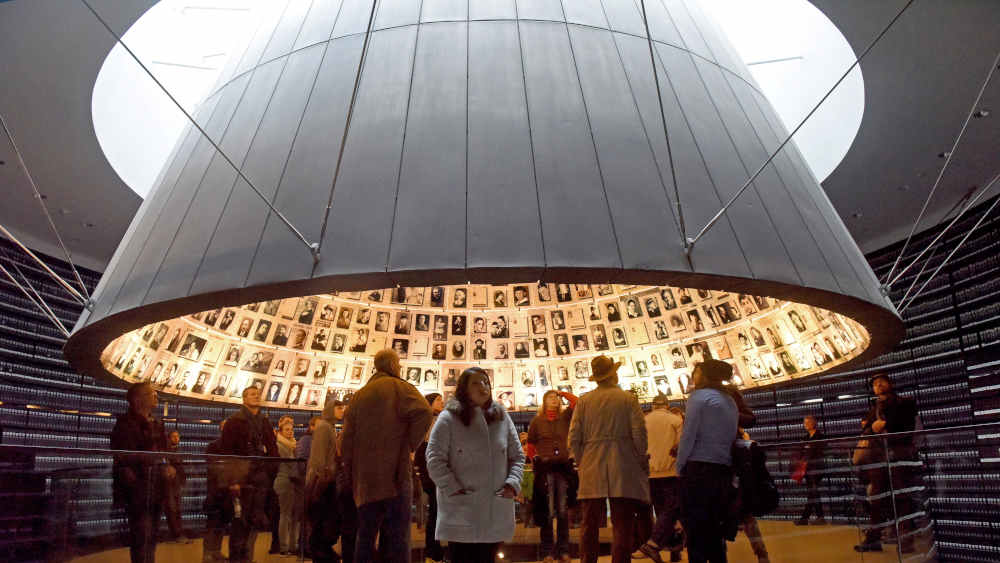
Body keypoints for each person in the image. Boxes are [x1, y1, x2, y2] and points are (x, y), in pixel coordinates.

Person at [341, 349, 433, 563]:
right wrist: (409, 444)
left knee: (365, 536)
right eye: (398, 363)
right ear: (392, 365)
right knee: (398, 537)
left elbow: (346, 440)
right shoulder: (400, 387)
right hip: (395, 476)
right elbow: (425, 412)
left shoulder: (360, 395)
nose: (399, 367)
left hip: (365, 480)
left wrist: (351, 470)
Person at [426, 367, 524, 563]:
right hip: (462, 509)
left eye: (486, 382)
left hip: (494, 507)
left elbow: (517, 456)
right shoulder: (448, 418)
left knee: (488, 557)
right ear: (464, 388)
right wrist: (453, 488)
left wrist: (512, 484)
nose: (483, 387)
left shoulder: (502, 417)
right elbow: (434, 458)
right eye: (476, 383)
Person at [569, 355, 650, 563]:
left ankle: (588, 560)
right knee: (622, 522)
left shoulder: (584, 401)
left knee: (589, 522)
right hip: (622, 462)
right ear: (613, 375)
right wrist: (640, 457)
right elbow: (639, 433)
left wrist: (582, 462)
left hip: (591, 462)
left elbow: (574, 437)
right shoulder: (627, 399)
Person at [676, 360, 739, 563]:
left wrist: (680, 465)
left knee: (695, 529)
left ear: (705, 375)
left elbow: (689, 435)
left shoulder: (698, 397)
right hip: (723, 469)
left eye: (696, 372)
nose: (693, 375)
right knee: (714, 528)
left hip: (699, 469)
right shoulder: (729, 400)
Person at [854, 374, 918, 554]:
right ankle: (874, 539)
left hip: (897, 455)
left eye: (881, 382)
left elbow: (908, 426)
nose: (878, 385)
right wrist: (873, 426)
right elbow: (866, 428)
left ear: (890, 384)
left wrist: (885, 424)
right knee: (877, 499)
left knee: (901, 498)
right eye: (875, 384)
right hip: (878, 458)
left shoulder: (905, 402)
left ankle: (905, 540)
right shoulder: (874, 407)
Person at [111, 382, 169, 563]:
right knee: (140, 533)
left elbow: (164, 452)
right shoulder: (124, 424)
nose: (156, 397)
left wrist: (166, 465)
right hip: (137, 488)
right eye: (151, 394)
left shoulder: (157, 424)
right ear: (137, 400)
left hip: (156, 486)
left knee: (152, 533)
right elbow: (122, 455)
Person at [219, 386, 279, 563]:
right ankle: (237, 559)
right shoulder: (234, 421)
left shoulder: (264, 421)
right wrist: (233, 480)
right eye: (252, 394)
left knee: (255, 521)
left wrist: (271, 472)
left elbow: (272, 448)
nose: (256, 396)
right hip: (242, 477)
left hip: (261, 477)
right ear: (244, 399)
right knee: (240, 521)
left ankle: (247, 558)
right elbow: (227, 453)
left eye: (258, 394)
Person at [526, 389, 578, 563]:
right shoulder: (537, 421)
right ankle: (547, 551)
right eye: (550, 396)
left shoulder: (565, 417)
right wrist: (534, 459)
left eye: (556, 397)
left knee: (562, 510)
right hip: (545, 469)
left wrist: (563, 393)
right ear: (544, 401)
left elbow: (577, 403)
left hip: (563, 469)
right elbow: (531, 443)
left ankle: (563, 550)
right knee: (546, 511)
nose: (554, 398)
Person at [635, 394, 684, 563]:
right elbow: (680, 446)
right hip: (671, 472)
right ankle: (660, 545)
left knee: (662, 511)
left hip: (650, 474)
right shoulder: (676, 421)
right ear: (667, 405)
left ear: (653, 406)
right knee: (671, 511)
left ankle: (668, 548)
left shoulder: (643, 422)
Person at [307, 400, 354, 563]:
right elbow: (319, 457)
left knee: (326, 519)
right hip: (324, 481)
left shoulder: (329, 427)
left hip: (327, 479)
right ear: (330, 409)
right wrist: (323, 475)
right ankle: (320, 551)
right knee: (323, 518)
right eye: (338, 408)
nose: (342, 411)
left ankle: (322, 550)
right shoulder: (324, 427)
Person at [414, 393, 446, 562]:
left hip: (437, 474)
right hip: (433, 476)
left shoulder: (440, 420)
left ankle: (434, 550)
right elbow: (423, 451)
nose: (442, 402)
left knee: (438, 512)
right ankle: (433, 551)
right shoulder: (427, 422)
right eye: (438, 400)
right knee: (435, 513)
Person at [274, 418, 303, 555]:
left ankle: (293, 545)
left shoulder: (293, 445)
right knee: (285, 515)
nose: (290, 432)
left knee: (295, 516)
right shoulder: (279, 445)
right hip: (284, 481)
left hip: (294, 482)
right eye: (287, 430)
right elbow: (291, 464)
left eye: (291, 430)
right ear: (280, 432)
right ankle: (284, 547)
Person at [203, 421, 229, 563]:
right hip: (215, 490)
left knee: (222, 523)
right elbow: (211, 468)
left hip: (227, 491)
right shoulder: (213, 446)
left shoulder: (233, 446)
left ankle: (216, 551)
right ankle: (207, 553)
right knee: (212, 523)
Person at [796, 415, 826, 526]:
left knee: (813, 492)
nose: (806, 425)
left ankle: (809, 518)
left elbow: (818, 451)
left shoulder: (820, 437)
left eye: (808, 422)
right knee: (812, 493)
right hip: (807, 468)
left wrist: (807, 449)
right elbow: (802, 451)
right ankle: (809, 518)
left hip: (816, 468)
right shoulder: (806, 438)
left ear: (814, 423)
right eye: (805, 423)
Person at [164, 430, 189, 542]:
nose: (176, 438)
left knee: (176, 508)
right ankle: (176, 534)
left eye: (178, 436)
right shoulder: (167, 452)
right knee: (172, 508)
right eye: (173, 436)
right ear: (169, 438)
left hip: (176, 483)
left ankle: (178, 533)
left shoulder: (177, 451)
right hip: (170, 483)